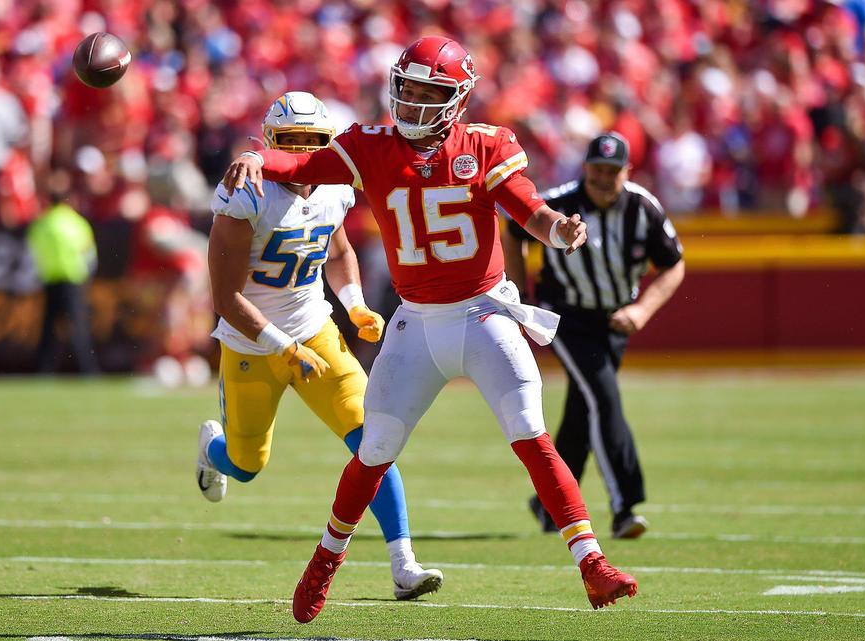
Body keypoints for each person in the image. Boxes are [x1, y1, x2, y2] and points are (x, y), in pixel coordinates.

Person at [222, 37, 638, 623]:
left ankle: (593, 564)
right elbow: (300, 163)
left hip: (483, 313)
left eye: (429, 94)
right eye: (408, 89)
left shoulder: (486, 145)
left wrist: (558, 232)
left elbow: (528, 208)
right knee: (374, 451)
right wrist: (256, 157)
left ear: (458, 99)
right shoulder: (371, 146)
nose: (414, 104)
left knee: (531, 434)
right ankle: (323, 564)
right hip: (415, 322)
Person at [197, 91, 444, 602]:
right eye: (292, 143)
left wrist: (354, 305)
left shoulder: (334, 189)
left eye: (313, 144)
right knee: (245, 465)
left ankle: (403, 563)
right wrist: (281, 347)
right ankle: (210, 451)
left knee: (373, 440)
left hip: (316, 330)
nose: (303, 155)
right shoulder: (246, 195)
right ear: (271, 144)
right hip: (252, 344)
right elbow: (225, 298)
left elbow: (338, 250)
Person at [503, 132, 685, 540]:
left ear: (627, 172)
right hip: (564, 314)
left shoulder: (643, 207)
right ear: (585, 169)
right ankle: (625, 506)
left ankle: (549, 503)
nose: (604, 179)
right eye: (597, 170)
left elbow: (674, 265)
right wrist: (519, 297)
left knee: (585, 410)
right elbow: (514, 231)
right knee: (603, 398)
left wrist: (642, 310)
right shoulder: (559, 202)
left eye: (612, 171)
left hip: (617, 318)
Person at [26, 170, 101, 375]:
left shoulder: (41, 225)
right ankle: (87, 371)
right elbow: (89, 255)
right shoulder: (77, 223)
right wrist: (86, 276)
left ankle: (43, 371)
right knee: (78, 329)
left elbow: (31, 256)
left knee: (48, 329)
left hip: (49, 280)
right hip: (73, 280)